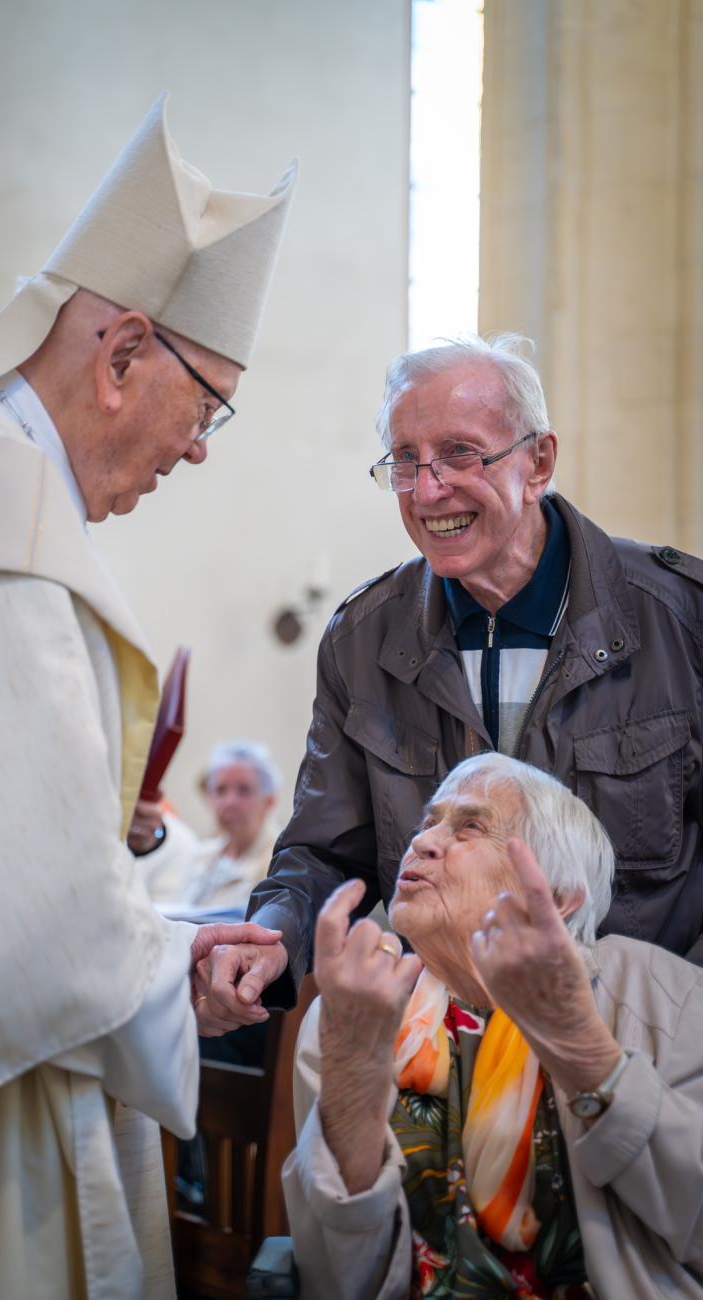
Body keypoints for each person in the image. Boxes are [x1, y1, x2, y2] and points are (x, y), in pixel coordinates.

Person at [0, 98, 295, 1300]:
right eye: (207, 409)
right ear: (122, 352)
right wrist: (175, 974)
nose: (198, 451)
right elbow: (4, 936)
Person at [194, 332, 703, 1035]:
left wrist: (680, 1026)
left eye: (460, 453)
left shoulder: (680, 616)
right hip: (443, 1047)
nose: (430, 490)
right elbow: (323, 849)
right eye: (406, 461)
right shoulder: (362, 640)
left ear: (539, 461)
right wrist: (270, 941)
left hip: (647, 1041)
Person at [283, 752, 703, 1299]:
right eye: (428, 822)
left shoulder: (664, 995)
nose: (423, 842)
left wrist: (581, 1047)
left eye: (470, 827)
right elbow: (332, 1277)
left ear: (555, 894)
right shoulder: (361, 1008)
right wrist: (353, 1079)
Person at [129, 740, 282, 911]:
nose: (230, 802)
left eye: (244, 790)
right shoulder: (201, 857)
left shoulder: (281, 864)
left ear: (269, 801)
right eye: (220, 790)